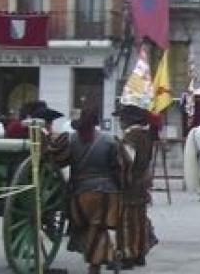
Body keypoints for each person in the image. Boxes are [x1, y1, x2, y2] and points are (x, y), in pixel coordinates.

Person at [67, 105, 126, 274]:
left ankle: (106, 257)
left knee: (91, 228)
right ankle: (98, 263)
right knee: (100, 228)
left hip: (80, 193)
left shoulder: (71, 140)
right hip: (107, 193)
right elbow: (118, 167)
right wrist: (121, 186)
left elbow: (61, 161)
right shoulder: (109, 140)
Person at [118, 105, 155, 269]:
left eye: (121, 119)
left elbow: (127, 160)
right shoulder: (146, 135)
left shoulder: (131, 136)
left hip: (130, 185)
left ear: (127, 120)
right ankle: (140, 253)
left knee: (126, 221)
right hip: (142, 183)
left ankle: (127, 255)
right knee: (139, 220)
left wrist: (120, 178)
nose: (120, 122)